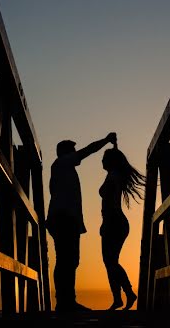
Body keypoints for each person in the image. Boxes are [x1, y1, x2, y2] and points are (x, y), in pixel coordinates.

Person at [47, 132, 116, 312]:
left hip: (62, 219)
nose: (76, 153)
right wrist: (105, 140)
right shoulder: (63, 163)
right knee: (66, 260)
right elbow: (88, 150)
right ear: (66, 152)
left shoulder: (62, 169)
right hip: (64, 219)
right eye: (73, 151)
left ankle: (66, 301)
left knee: (68, 260)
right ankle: (65, 302)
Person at [99, 145, 145, 310]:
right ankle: (120, 298)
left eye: (104, 159)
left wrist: (105, 223)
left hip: (114, 221)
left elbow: (111, 204)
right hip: (116, 222)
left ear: (110, 162)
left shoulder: (113, 176)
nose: (101, 161)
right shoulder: (113, 175)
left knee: (110, 261)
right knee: (110, 261)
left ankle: (127, 293)